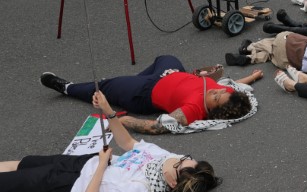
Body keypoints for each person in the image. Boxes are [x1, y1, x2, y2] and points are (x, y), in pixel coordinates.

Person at [0, 91, 219, 192]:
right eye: (185, 156)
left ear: (172, 182)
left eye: (179, 163)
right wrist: (109, 111)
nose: (177, 157)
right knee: (20, 164)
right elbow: (128, 142)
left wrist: (103, 165)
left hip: (67, 185)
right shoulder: (162, 159)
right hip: (82, 163)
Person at [40, 55, 258, 134]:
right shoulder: (229, 93)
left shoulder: (194, 111)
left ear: (213, 109)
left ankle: (66, 87)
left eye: (216, 97)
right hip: (169, 73)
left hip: (143, 94)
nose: (217, 90)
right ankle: (127, 82)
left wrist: (124, 120)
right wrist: (251, 77)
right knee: (166, 56)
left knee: (104, 87)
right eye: (221, 91)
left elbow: (156, 127)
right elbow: (233, 85)